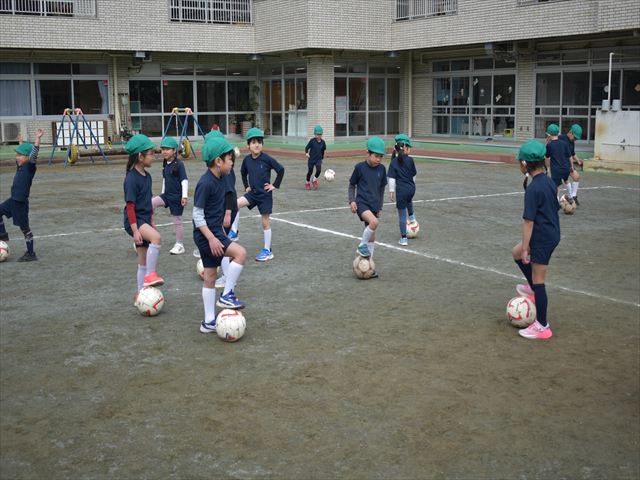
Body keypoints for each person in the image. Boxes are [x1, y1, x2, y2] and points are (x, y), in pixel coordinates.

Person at [193, 137, 247, 333]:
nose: (232, 162)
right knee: (240, 254)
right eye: (229, 158)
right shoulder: (205, 183)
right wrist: (212, 238)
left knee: (209, 277)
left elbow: (217, 208)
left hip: (213, 232)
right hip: (206, 234)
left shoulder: (222, 178)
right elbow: (197, 215)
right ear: (218, 161)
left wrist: (221, 230)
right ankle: (227, 295)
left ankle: (208, 322)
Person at [512, 140, 561, 340]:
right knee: (515, 253)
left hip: (543, 237)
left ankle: (542, 325)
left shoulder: (533, 189)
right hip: (550, 233)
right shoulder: (549, 182)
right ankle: (532, 288)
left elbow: (528, 222)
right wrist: (522, 249)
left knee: (539, 279)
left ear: (525, 164)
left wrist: (526, 248)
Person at [123, 134, 164, 300]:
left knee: (142, 261)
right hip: (134, 221)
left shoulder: (147, 176)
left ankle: (140, 294)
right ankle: (150, 275)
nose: (153, 156)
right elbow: (130, 206)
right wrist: (135, 231)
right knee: (156, 238)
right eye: (151, 153)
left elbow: (149, 202)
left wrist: (152, 221)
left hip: (144, 220)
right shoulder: (131, 179)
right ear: (140, 156)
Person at [237, 128, 285, 262]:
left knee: (265, 222)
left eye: (259, 142)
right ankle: (234, 231)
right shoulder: (247, 160)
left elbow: (281, 170)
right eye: (253, 142)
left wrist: (274, 185)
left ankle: (267, 251)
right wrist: (246, 186)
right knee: (235, 204)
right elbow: (243, 173)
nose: (257, 145)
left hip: (265, 195)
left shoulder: (267, 159)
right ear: (248, 145)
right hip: (252, 194)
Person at [0, 128, 44, 261]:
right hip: (13, 200)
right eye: (17, 154)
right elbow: (23, 153)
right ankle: (2, 234)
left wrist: (38, 139)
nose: (17, 157)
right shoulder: (20, 165)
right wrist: (20, 142)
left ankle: (31, 254)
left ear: (27, 157)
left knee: (25, 229)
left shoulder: (30, 167)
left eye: (20, 155)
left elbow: (33, 154)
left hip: (20, 204)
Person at [349, 137, 387, 277]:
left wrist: (380, 206)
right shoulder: (359, 168)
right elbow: (352, 185)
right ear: (368, 153)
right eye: (376, 156)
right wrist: (352, 200)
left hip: (374, 206)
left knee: (372, 237)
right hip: (362, 203)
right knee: (374, 222)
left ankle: (369, 266)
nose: (378, 159)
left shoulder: (382, 169)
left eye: (381, 157)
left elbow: (382, 189)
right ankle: (361, 245)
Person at [151, 137, 188, 255]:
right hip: (166, 195)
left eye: (167, 149)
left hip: (177, 197)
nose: (164, 151)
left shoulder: (179, 164)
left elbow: (184, 180)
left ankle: (180, 245)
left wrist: (184, 196)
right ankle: (150, 232)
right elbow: (165, 179)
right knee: (150, 204)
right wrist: (162, 192)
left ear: (174, 151)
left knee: (177, 220)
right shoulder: (165, 164)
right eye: (163, 149)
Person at [388, 134, 417, 246]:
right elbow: (414, 175)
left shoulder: (394, 162)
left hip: (401, 191)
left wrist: (391, 191)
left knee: (401, 214)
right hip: (411, 189)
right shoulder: (410, 160)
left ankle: (404, 238)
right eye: (409, 147)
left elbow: (392, 179)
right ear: (405, 147)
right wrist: (412, 185)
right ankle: (412, 217)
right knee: (409, 200)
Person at [544, 124, 572, 201]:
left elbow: (546, 157)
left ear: (549, 135)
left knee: (556, 186)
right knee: (566, 180)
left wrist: (547, 168)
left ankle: (556, 202)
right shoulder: (564, 143)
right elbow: (570, 156)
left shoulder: (549, 145)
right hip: (566, 168)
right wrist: (572, 166)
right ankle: (570, 196)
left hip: (556, 169)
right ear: (558, 134)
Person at [559, 124, 583, 205]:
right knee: (566, 179)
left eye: (576, 139)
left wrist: (578, 161)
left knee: (577, 177)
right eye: (575, 137)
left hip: (569, 163)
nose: (575, 140)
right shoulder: (561, 138)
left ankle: (573, 196)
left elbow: (572, 153)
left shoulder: (572, 142)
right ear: (570, 132)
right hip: (562, 163)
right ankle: (571, 197)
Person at [304, 125, 327, 190]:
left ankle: (314, 180)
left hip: (318, 159)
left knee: (319, 170)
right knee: (310, 172)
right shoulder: (312, 141)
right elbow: (306, 148)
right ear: (315, 134)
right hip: (311, 159)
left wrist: (322, 158)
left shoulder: (323, 142)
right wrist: (306, 153)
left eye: (320, 134)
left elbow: (323, 151)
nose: (318, 136)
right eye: (317, 134)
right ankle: (307, 182)